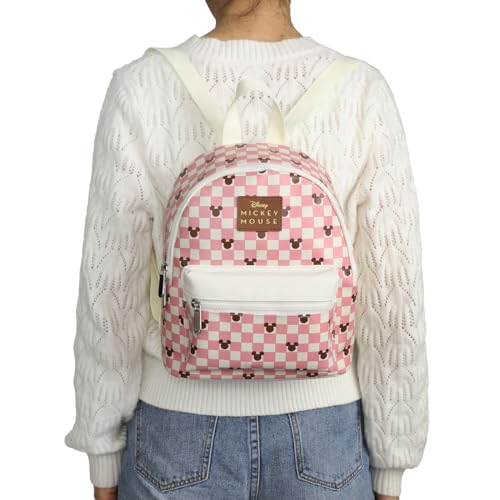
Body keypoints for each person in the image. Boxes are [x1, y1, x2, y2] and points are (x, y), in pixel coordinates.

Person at [64, 1, 429, 499]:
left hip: (175, 434)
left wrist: (101, 452)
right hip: (325, 437)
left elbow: (109, 293)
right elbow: (395, 299)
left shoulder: (140, 86)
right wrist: (393, 461)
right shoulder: (362, 90)